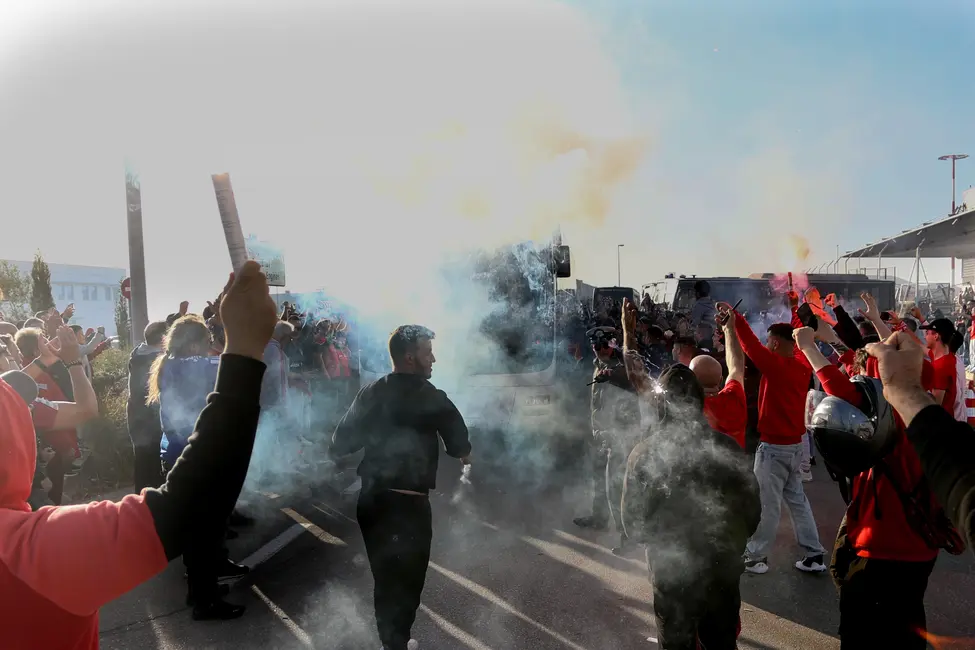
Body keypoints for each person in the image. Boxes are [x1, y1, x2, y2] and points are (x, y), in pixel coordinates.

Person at [1, 261, 277, 650]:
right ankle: (204, 591)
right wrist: (245, 348)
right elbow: (185, 507)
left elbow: (18, 388)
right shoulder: (33, 553)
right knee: (200, 530)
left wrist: (58, 361)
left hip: (171, 450)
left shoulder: (164, 363)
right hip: (184, 455)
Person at [795, 326, 960, 649]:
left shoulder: (889, 417)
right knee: (907, 622)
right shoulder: (933, 423)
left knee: (865, 632)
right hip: (920, 548)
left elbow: (843, 390)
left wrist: (807, 347)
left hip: (880, 548)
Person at [621, 298, 760, 650]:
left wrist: (628, 334)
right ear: (701, 395)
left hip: (673, 574)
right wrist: (730, 330)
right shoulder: (730, 419)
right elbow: (753, 511)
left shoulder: (646, 453)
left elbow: (633, 525)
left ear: (663, 402)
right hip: (722, 568)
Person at [331, 325, 471, 650]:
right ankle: (396, 644)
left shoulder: (370, 392)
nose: (433, 359)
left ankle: (391, 643)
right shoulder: (432, 396)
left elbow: (339, 444)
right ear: (410, 358)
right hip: (407, 509)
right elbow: (461, 447)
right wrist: (465, 456)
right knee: (407, 584)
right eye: (427, 352)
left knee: (386, 580)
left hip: (371, 503)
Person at [717, 302, 827, 575]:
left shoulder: (777, 366)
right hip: (794, 447)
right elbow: (761, 345)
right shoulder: (802, 364)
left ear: (776, 344)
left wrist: (736, 318)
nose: (766, 345)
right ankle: (814, 554)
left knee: (766, 504)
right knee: (798, 502)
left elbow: (750, 347)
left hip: (774, 448)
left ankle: (756, 556)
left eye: (769, 341)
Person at [865, 332, 975, 553]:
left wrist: (906, 394)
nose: (925, 335)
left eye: (930, 331)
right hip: (922, 545)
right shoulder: (950, 362)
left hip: (884, 544)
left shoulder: (897, 430)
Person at [692, 312, 747, 449]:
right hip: (737, 467)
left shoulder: (689, 409)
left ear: (692, 381)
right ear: (721, 380)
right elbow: (736, 366)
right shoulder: (734, 398)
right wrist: (729, 328)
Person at [128, 321, 168, 492]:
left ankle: (138, 504)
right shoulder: (158, 360)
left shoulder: (137, 353)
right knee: (155, 467)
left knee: (142, 463)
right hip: (152, 418)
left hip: (136, 415)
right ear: (164, 338)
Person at [919, 317, 959, 416]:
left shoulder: (940, 368)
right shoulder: (947, 357)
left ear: (936, 336)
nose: (925, 337)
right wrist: (901, 325)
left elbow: (935, 407)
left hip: (939, 427)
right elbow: (918, 344)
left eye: (927, 333)